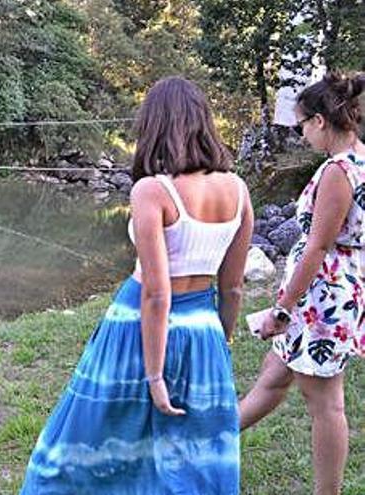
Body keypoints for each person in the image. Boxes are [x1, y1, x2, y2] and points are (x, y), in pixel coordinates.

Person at [19, 76, 253, 494]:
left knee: (93, 431)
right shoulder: (237, 188)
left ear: (155, 126)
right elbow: (232, 287)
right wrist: (222, 338)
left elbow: (157, 292)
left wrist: (155, 373)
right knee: (194, 448)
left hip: (135, 326)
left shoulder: (152, 190)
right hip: (203, 328)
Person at [239, 71, 365, 495]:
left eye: (300, 125)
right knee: (274, 377)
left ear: (320, 121)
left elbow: (317, 248)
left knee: (326, 404)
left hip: (321, 298)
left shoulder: (338, 171)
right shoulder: (361, 158)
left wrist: (281, 310)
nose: (299, 134)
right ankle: (203, 441)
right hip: (333, 290)